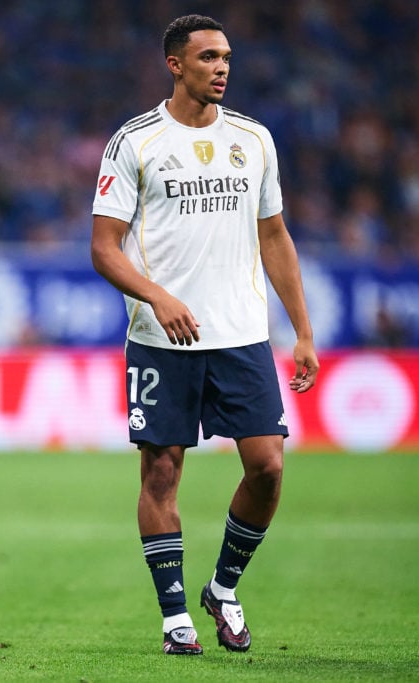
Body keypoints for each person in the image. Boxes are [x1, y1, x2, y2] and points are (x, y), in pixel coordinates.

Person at [89, 15, 319, 656]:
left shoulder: (255, 140)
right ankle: (173, 618)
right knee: (161, 472)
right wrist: (158, 297)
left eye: (227, 58)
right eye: (209, 57)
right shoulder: (134, 142)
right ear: (175, 65)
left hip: (242, 334)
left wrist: (302, 330)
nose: (222, 67)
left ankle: (221, 588)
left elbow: (273, 237)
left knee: (268, 467)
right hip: (163, 339)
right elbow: (104, 249)